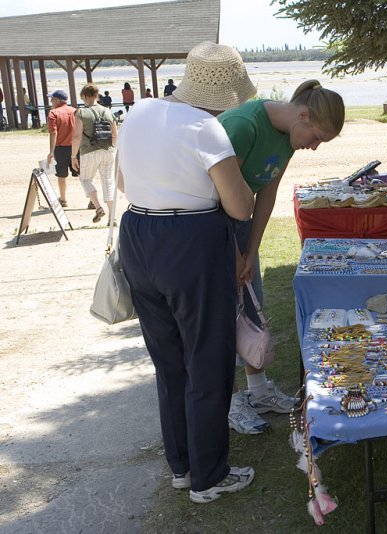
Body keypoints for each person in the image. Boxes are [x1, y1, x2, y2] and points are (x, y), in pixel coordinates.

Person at [116, 41, 257, 504]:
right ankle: (209, 476)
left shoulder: (138, 113)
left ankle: (181, 465)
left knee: (168, 360)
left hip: (138, 233)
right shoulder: (205, 129)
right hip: (192, 242)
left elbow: (121, 182)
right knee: (208, 360)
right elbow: (240, 205)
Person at [217, 80, 344, 433]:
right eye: (316, 137)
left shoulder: (288, 135)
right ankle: (230, 403)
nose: (314, 147)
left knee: (252, 306)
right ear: (302, 115)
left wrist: (251, 250)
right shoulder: (244, 126)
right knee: (222, 315)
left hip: (240, 230)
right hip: (210, 228)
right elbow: (213, 199)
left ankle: (258, 392)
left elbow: (266, 195)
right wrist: (232, 255)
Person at [71, 83, 118, 224]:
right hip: (108, 151)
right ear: (97, 95)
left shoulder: (80, 112)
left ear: (84, 96)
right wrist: (113, 149)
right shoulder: (108, 111)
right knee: (108, 182)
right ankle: (113, 217)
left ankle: (98, 207)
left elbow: (77, 137)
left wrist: (74, 156)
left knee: (85, 180)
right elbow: (115, 135)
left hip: (89, 151)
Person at [46, 89, 78, 207]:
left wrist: (51, 151)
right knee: (83, 174)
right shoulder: (75, 111)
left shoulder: (53, 113)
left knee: (61, 175)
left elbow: (53, 133)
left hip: (61, 147)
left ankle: (63, 199)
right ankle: (91, 199)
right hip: (76, 146)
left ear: (58, 100)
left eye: (52, 99)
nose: (51, 101)